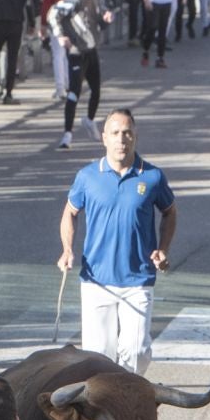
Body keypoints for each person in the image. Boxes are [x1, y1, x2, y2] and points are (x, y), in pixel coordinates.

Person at [59, 110, 177, 375]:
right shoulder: (88, 176)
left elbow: (170, 211)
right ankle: (111, 397)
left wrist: (163, 249)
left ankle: (125, 394)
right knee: (98, 358)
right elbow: (70, 212)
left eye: (127, 133)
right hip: (96, 281)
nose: (121, 139)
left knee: (136, 353)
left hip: (138, 280)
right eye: (115, 133)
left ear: (135, 136)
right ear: (104, 138)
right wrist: (67, 249)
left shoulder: (152, 177)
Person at [50, 0, 111, 149]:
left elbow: (98, 21)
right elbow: (53, 13)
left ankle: (89, 120)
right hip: (77, 51)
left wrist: (106, 19)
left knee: (96, 90)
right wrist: (60, 35)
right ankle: (67, 134)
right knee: (74, 92)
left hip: (91, 49)